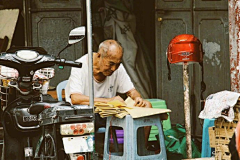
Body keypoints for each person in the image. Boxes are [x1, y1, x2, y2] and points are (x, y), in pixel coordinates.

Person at [65, 39, 152, 152]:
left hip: (109, 113)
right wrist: (109, 101)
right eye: (110, 64)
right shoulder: (80, 66)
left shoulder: (117, 68)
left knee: (147, 106)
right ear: (99, 56)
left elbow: (131, 90)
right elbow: (75, 98)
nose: (114, 69)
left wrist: (137, 98)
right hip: (86, 114)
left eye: (118, 64)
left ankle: (139, 151)